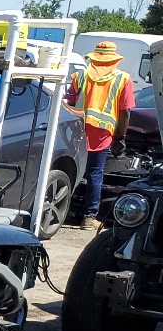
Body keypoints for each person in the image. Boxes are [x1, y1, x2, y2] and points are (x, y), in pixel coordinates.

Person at [65, 40, 134, 229]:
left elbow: (68, 103)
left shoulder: (80, 76)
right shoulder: (122, 78)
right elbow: (125, 111)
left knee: (71, 169)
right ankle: (88, 217)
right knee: (95, 173)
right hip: (103, 133)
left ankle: (63, 209)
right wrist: (121, 137)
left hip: (77, 129)